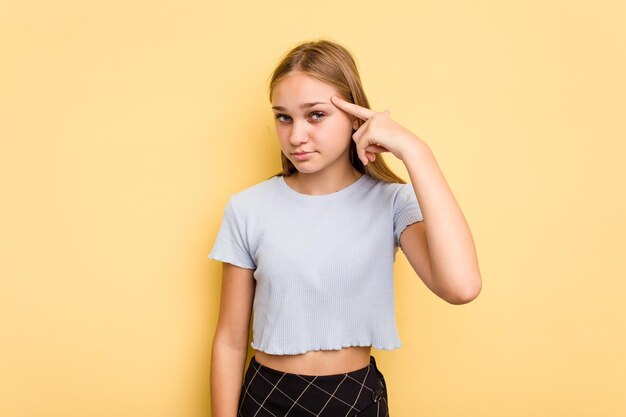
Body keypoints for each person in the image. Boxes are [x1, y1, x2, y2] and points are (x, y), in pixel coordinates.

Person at [208, 39, 482, 417]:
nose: (296, 136)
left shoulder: (392, 203)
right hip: (265, 399)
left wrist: (416, 151)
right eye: (283, 117)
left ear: (356, 116)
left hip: (353, 399)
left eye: (316, 114)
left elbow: (462, 287)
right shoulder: (248, 208)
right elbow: (230, 340)